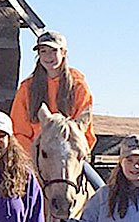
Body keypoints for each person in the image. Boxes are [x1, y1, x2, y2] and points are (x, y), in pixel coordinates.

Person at [9, 30, 103, 188]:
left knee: (101, 192)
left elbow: (85, 130)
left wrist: (74, 155)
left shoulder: (78, 86)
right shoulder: (28, 88)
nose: (48, 56)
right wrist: (34, 159)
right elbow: (18, 130)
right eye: (43, 51)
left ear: (64, 52)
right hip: (35, 159)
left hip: (69, 158)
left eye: (53, 50)